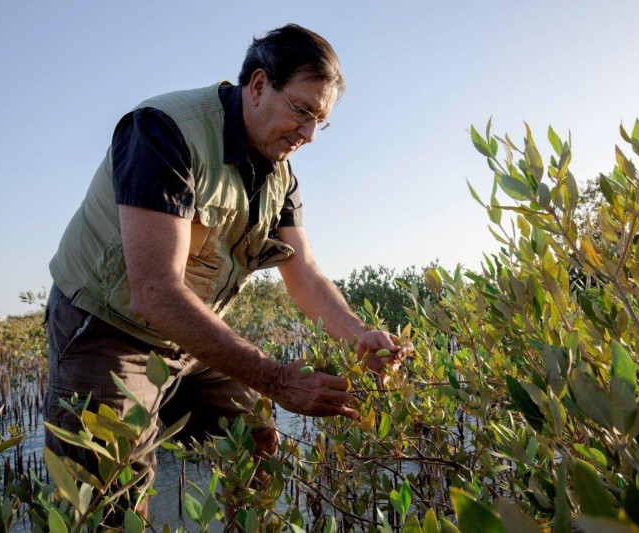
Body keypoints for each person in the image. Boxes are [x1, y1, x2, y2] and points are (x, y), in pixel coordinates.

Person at [43, 23, 411, 516]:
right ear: (258, 86)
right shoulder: (164, 131)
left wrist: (360, 334)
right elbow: (153, 292)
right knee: (113, 499)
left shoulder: (281, 173)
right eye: (302, 111)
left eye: (320, 121)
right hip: (108, 329)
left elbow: (305, 276)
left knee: (255, 438)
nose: (308, 135)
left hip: (186, 334)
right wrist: (276, 379)